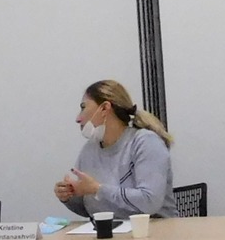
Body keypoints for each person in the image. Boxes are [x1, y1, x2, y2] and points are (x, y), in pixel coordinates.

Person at [56, 78, 178, 219]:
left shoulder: (145, 142)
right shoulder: (89, 150)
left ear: (104, 108)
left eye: (83, 107)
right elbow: (93, 209)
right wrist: (69, 196)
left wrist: (98, 189)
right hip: (112, 230)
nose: (78, 119)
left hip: (156, 229)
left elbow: (150, 202)